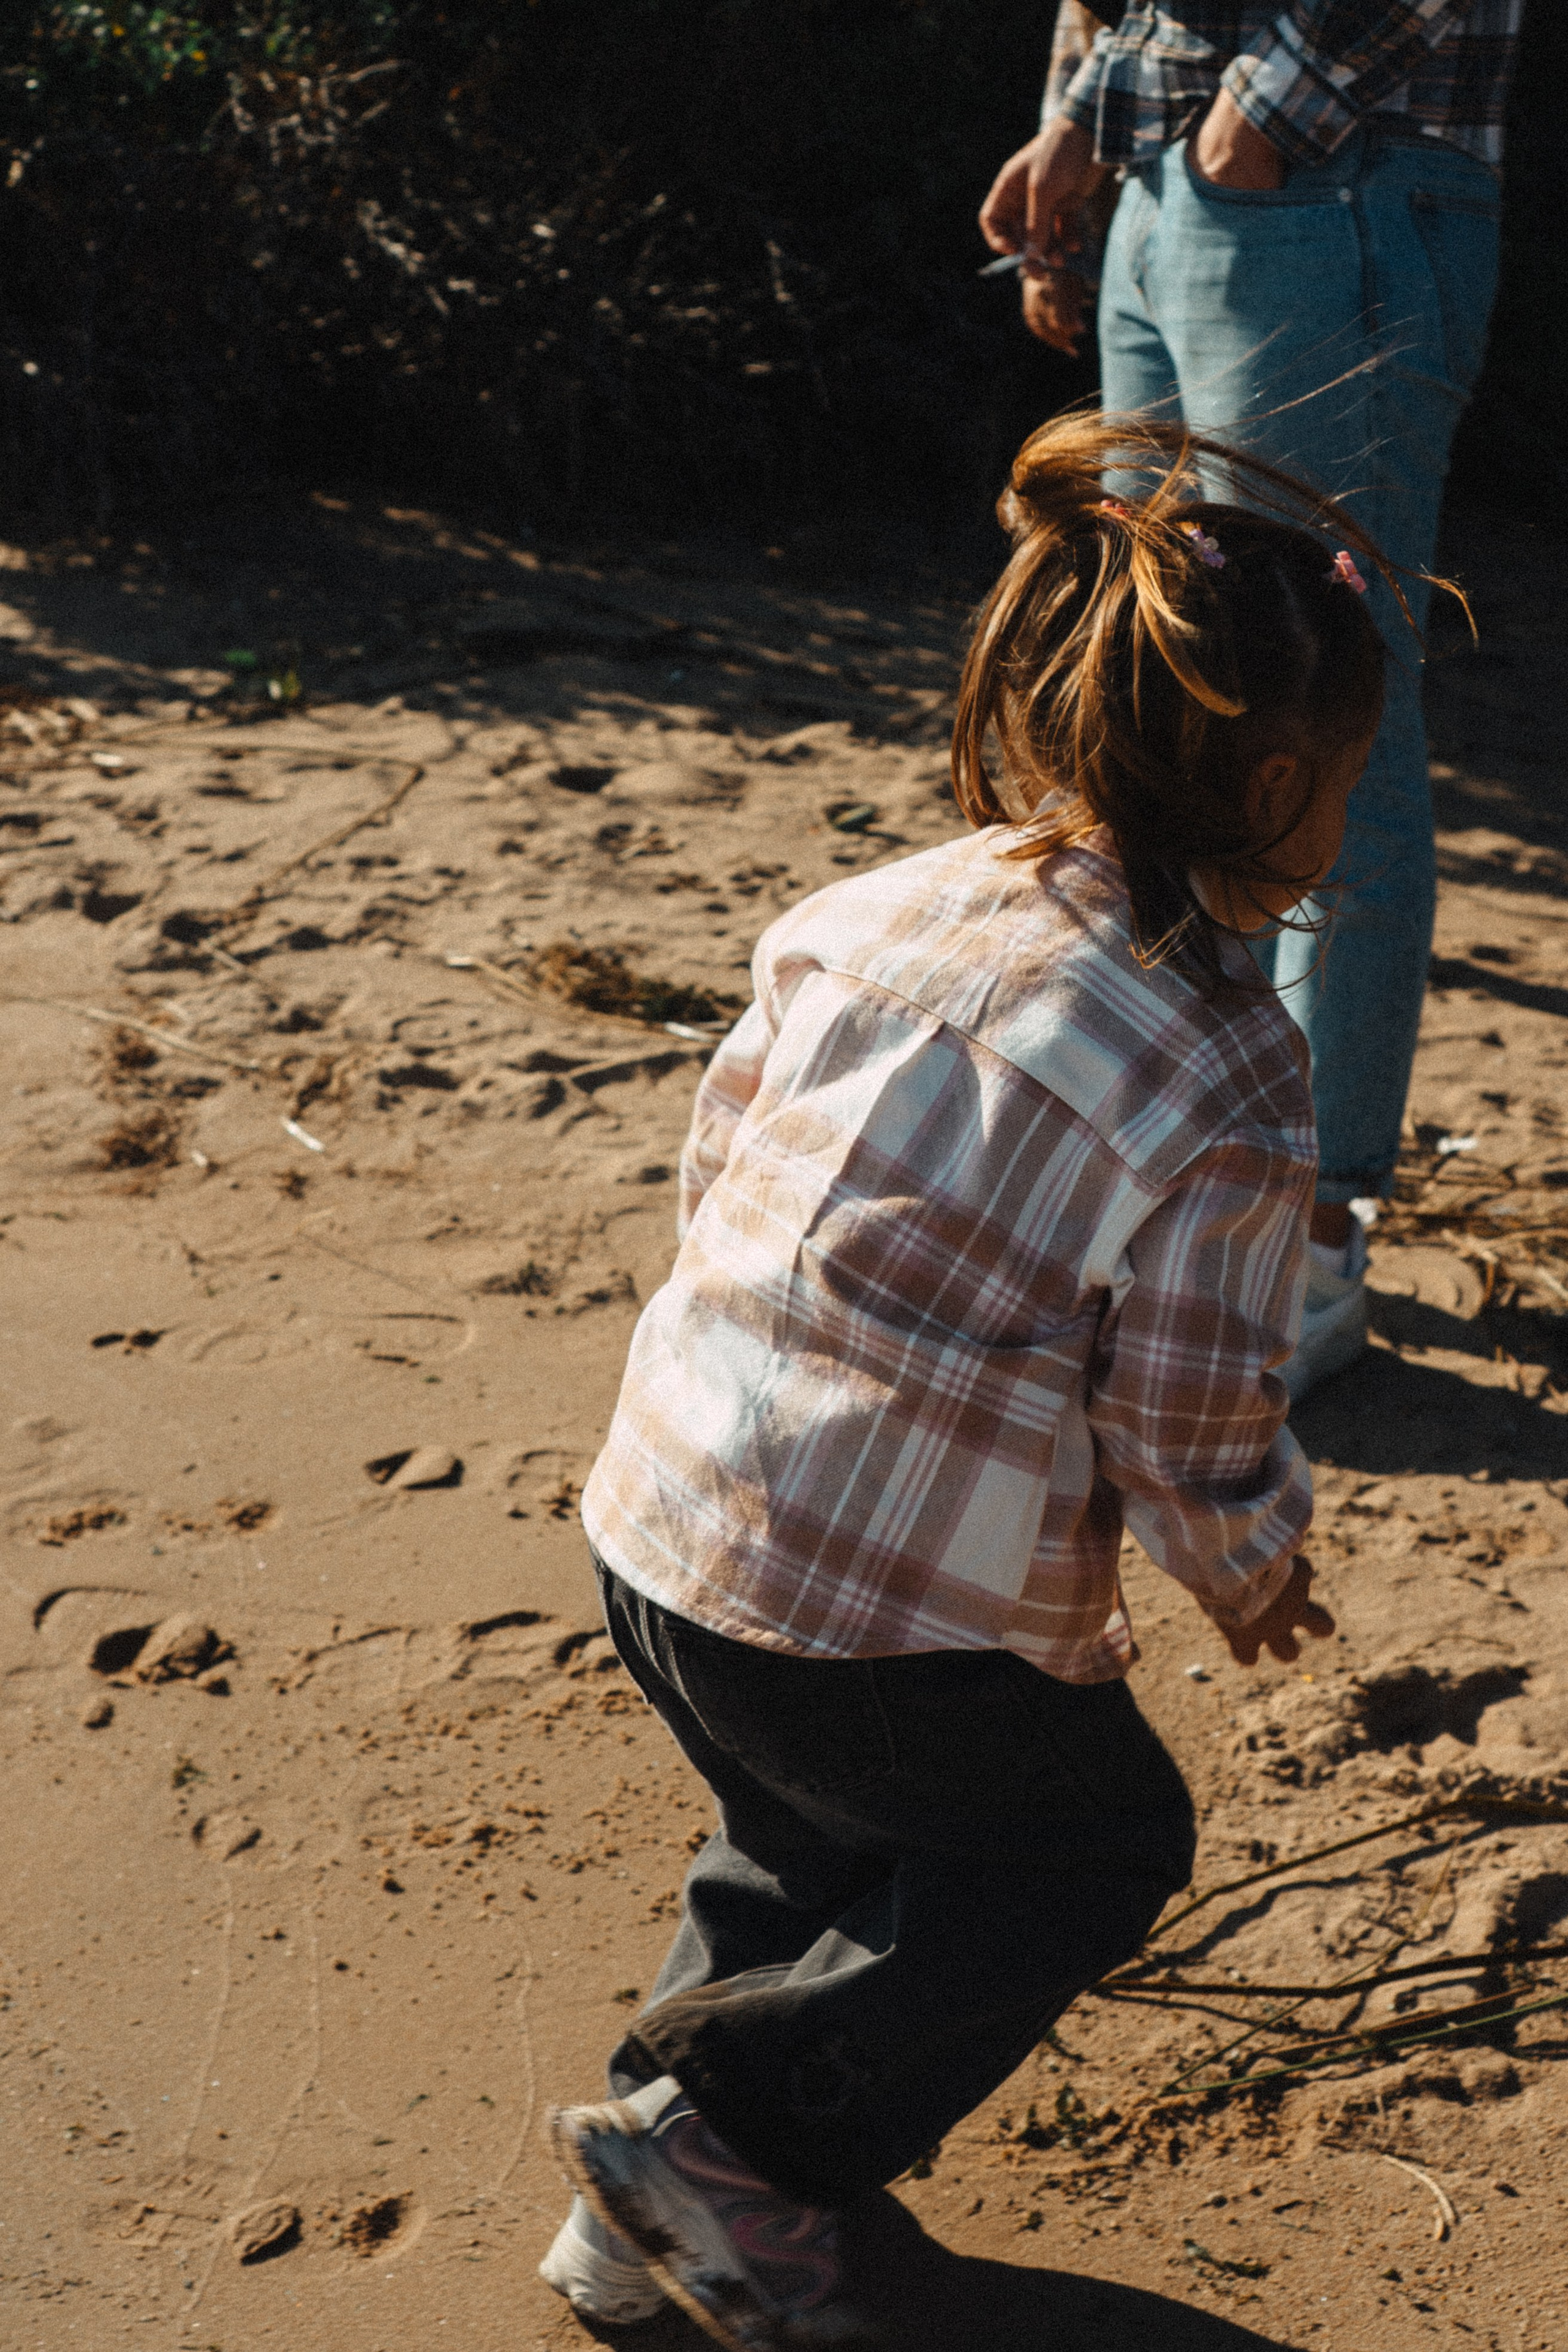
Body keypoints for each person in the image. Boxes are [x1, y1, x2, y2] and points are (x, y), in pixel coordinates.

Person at [535, 409, 1392, 2350]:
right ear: (1276, 786)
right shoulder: (1232, 1075)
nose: (1353, 816)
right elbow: (1183, 1415)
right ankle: (740, 2161)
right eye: (1352, 780)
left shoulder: (880, 908)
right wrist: (1252, 1569)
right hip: (880, 1610)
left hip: (666, 1518)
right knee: (1090, 1843)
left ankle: (649, 2205)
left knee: (807, 1838)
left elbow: (720, 1167)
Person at [980, 1, 1521, 1396]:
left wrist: (1252, 125)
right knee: (1151, 696)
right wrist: (1079, 127)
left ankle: (1308, 1239)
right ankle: (1165, 1184)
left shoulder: (1273, 143)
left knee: (1319, 717)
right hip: (1184, 184)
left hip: (1324, 177)